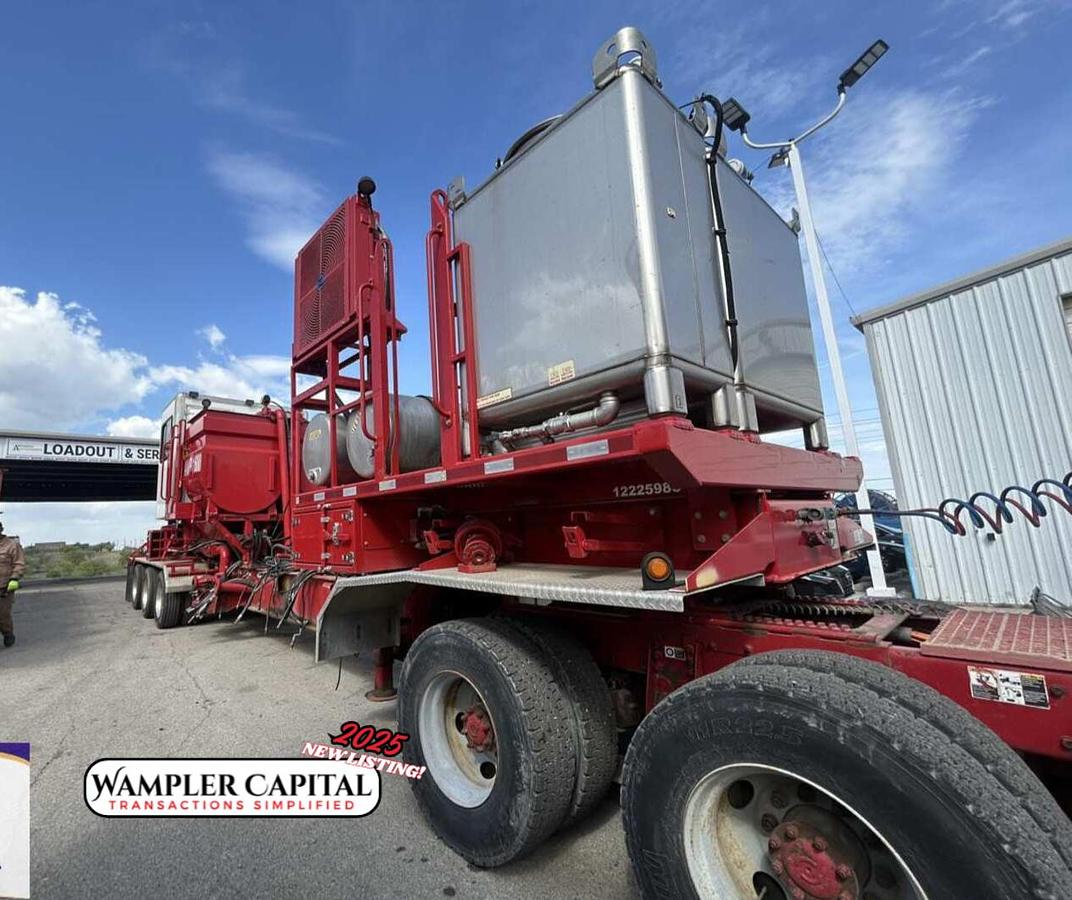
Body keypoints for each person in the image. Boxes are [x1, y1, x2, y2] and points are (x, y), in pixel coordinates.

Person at [0, 517, 26, 647]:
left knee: (2, 614)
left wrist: (15, 578)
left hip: (5, 587)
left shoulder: (12, 545)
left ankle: (7, 633)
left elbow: (19, 563)